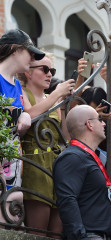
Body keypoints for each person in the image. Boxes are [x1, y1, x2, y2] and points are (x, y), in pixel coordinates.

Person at [17, 52, 75, 237]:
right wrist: (57, 94)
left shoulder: (52, 99)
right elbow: (29, 114)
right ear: (28, 72)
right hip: (35, 164)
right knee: (38, 231)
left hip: (56, 166)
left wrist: (64, 105)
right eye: (45, 69)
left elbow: (63, 137)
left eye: (52, 70)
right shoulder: (22, 92)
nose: (50, 74)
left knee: (56, 232)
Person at [53, 105, 111, 240]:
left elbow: (97, 204)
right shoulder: (72, 157)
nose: (103, 124)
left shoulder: (86, 157)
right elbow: (67, 200)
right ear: (89, 124)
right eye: (99, 119)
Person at [0, 29, 45, 226]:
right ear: (15, 50)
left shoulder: (17, 85)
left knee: (11, 203)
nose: (33, 59)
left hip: (14, 160)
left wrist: (25, 114)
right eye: (30, 53)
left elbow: (20, 124)